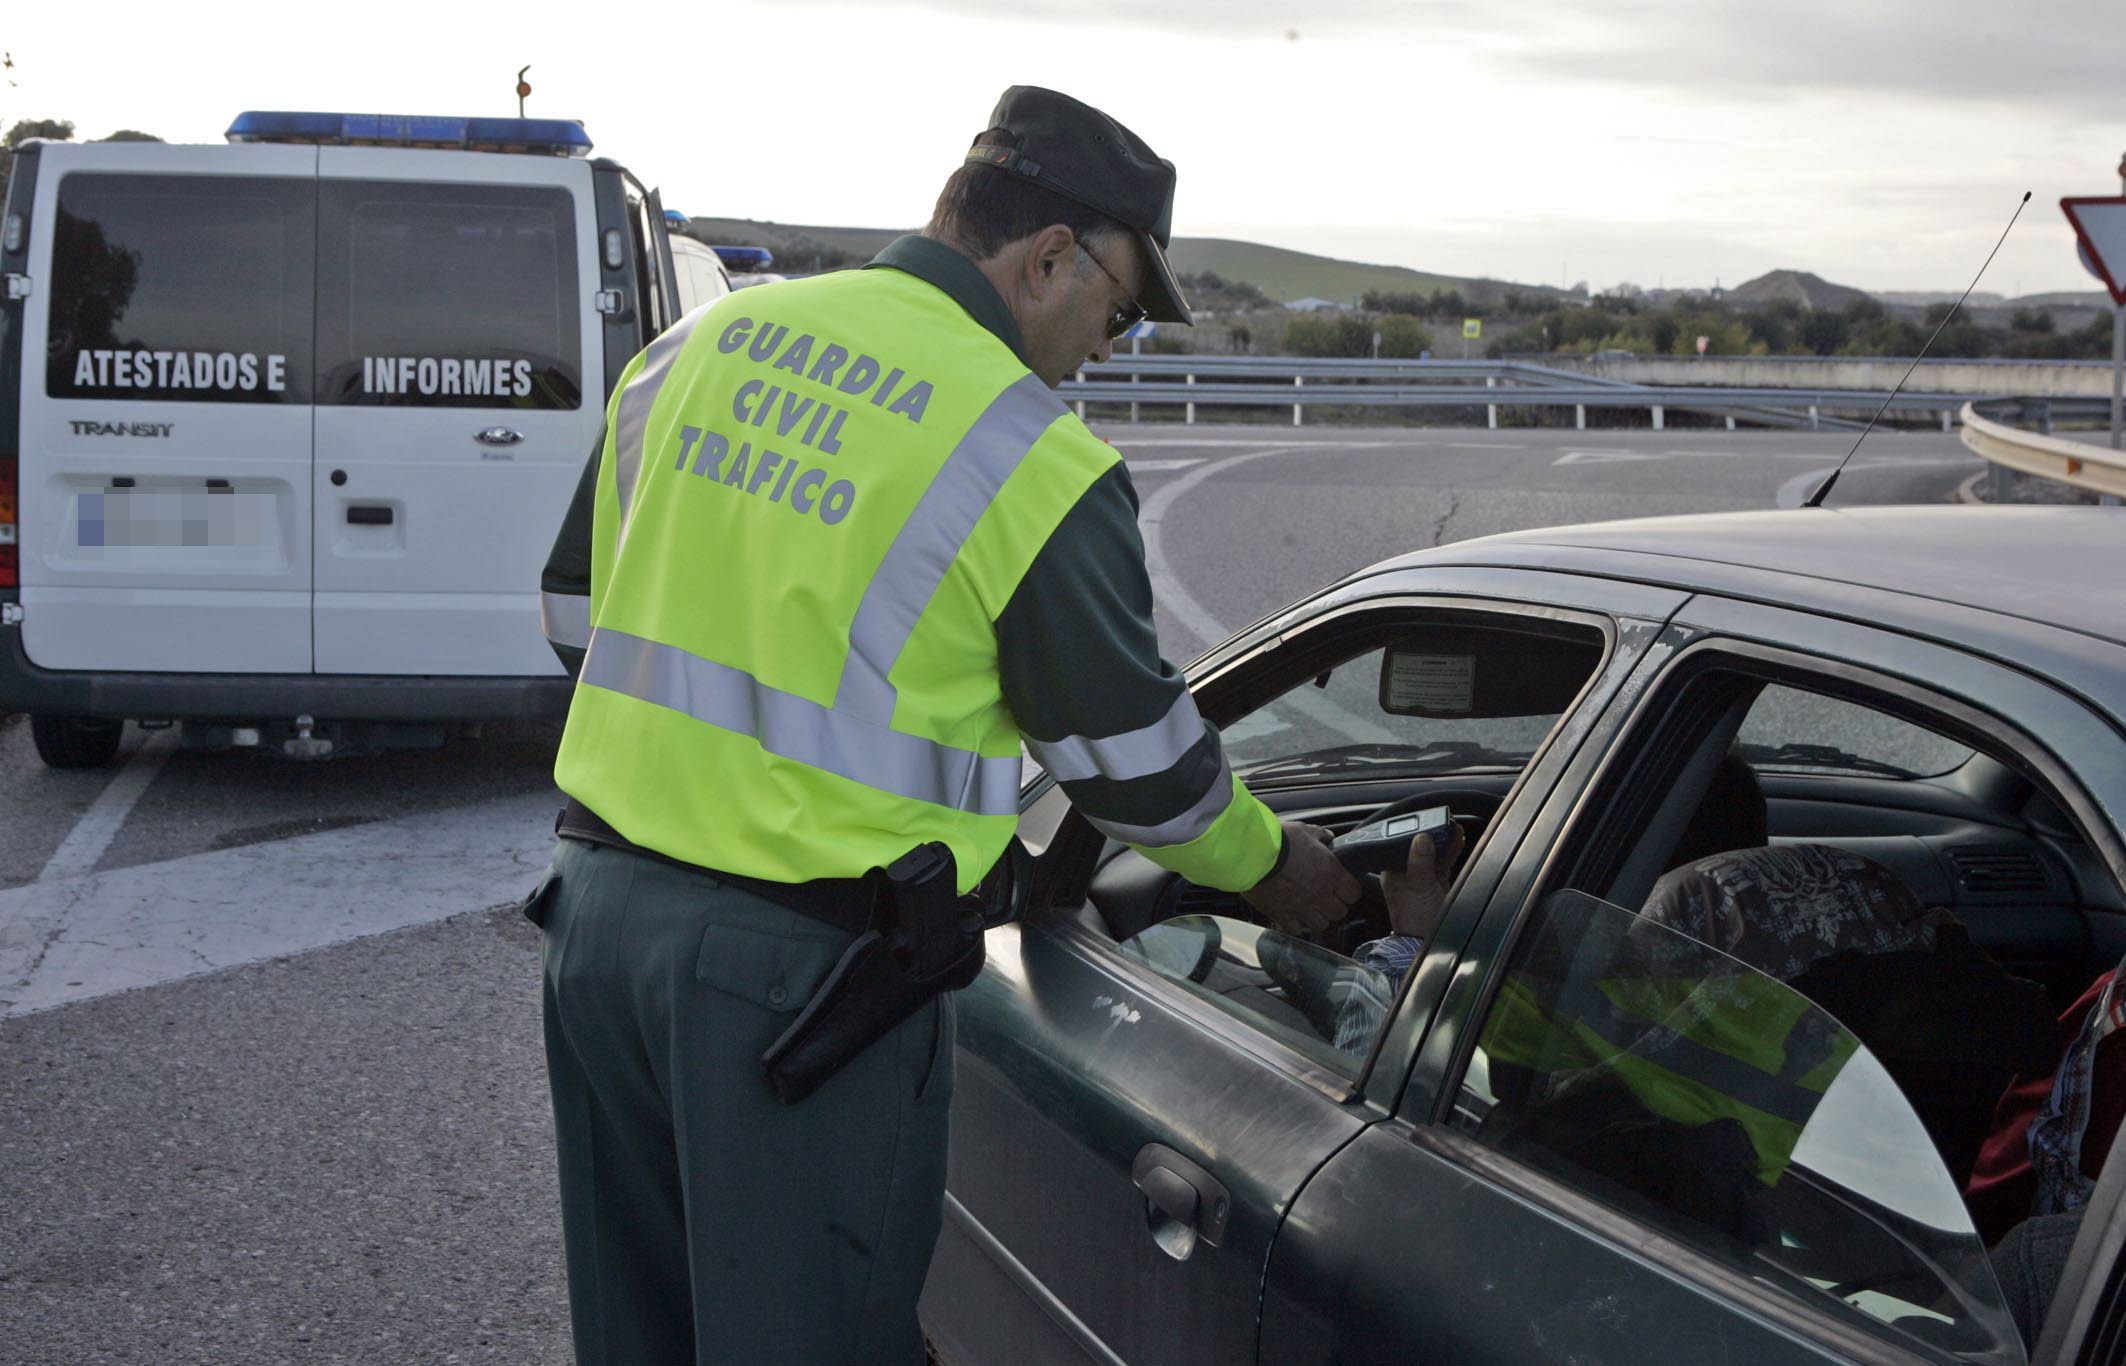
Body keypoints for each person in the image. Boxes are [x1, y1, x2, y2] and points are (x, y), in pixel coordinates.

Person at [526, 86, 1361, 1365]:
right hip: (798, 993)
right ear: (1046, 258)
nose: (1107, 344)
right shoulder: (1025, 453)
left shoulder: (695, 349)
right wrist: (1294, 880)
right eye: (1120, 308)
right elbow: (1138, 777)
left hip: (595, 933)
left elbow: (574, 610)